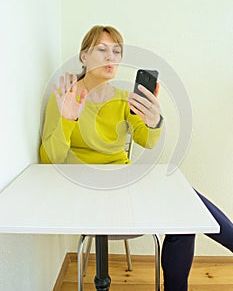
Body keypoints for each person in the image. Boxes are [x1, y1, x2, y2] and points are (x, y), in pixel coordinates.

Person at [40, 25, 233, 291]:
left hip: (124, 182)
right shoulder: (66, 96)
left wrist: (154, 121)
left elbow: (147, 139)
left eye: (117, 51)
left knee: (185, 211)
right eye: (102, 50)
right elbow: (51, 159)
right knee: (183, 203)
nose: (112, 57)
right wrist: (68, 118)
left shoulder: (122, 98)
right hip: (84, 189)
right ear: (83, 57)